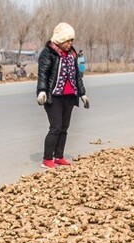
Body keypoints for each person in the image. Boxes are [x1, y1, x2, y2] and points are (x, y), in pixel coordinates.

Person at [36, 23, 88, 169]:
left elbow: (77, 75)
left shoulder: (72, 54)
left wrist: (82, 94)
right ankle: (47, 159)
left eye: (71, 40)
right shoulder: (48, 53)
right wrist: (41, 91)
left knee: (64, 127)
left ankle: (59, 156)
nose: (70, 43)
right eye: (67, 41)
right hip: (54, 96)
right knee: (55, 127)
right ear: (59, 39)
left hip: (69, 96)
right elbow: (43, 74)